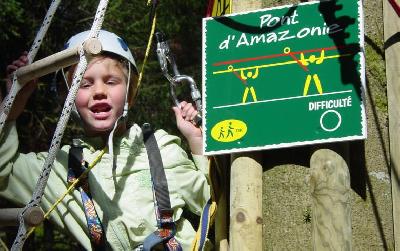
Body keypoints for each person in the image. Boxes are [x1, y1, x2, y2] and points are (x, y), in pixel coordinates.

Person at [0, 30, 210, 250]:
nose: (99, 91)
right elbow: (4, 173)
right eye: (85, 84)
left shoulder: (160, 147)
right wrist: (10, 111)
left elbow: (214, 201)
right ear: (67, 99)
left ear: (130, 92)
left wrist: (196, 142)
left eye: (111, 81)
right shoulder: (59, 168)